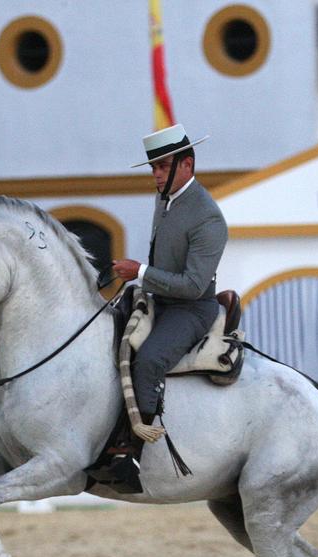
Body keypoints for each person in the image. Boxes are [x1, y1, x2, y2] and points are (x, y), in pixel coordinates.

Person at [102, 124, 227, 487]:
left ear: (186, 165)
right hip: (158, 298)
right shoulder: (165, 199)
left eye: (162, 166)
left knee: (151, 359)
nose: (155, 175)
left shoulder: (208, 216)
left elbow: (192, 284)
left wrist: (139, 271)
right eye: (153, 168)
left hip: (191, 309)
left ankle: (133, 458)